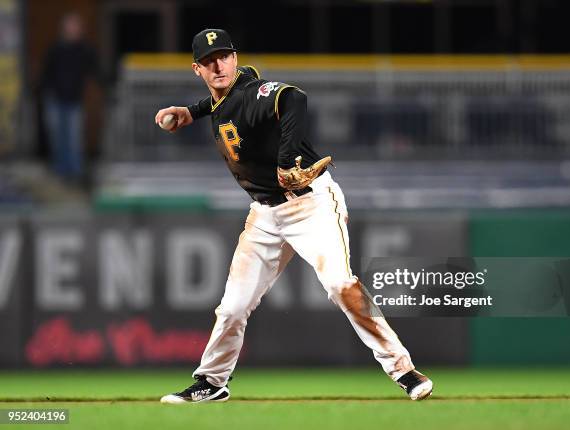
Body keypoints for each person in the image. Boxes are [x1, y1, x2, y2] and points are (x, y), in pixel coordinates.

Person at [155, 28, 433, 404]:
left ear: (235, 58)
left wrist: (287, 160)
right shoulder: (226, 98)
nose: (217, 64)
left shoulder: (253, 93)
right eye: (208, 61)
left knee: (340, 285)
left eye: (223, 55)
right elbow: (222, 104)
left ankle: (403, 370)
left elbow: (294, 98)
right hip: (265, 214)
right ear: (197, 69)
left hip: (310, 204)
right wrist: (191, 111)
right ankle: (212, 381)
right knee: (233, 306)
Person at [40, 12, 98, 182]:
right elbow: (47, 73)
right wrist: (45, 91)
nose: (73, 29)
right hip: (55, 99)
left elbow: (94, 70)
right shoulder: (55, 49)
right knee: (58, 136)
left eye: (76, 26)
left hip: (75, 100)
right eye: (70, 25)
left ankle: (75, 171)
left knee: (74, 137)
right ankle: (60, 170)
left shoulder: (84, 50)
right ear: (64, 28)